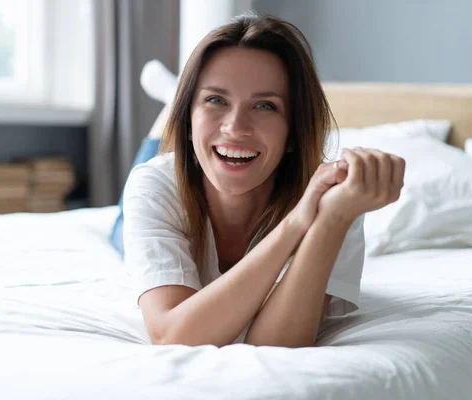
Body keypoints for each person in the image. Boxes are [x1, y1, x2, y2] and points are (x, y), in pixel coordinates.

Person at [122, 13, 405, 347]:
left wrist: (330, 218)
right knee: (125, 215)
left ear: (293, 133)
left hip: (210, 157)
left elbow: (275, 344)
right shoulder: (155, 186)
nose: (236, 126)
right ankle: (173, 102)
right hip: (177, 175)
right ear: (188, 118)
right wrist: (297, 223)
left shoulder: (336, 198)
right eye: (216, 99)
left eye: (265, 106)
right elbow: (172, 334)